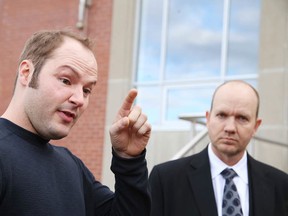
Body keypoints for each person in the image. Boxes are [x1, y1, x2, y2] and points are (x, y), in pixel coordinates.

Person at [0, 29, 152, 216]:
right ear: (27, 73)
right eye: (66, 80)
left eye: (87, 90)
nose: (79, 99)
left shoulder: (71, 166)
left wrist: (129, 160)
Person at [149, 80, 288, 216]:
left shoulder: (281, 185)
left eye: (242, 118)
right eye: (222, 115)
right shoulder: (166, 180)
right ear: (208, 120)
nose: (230, 128)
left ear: (255, 126)